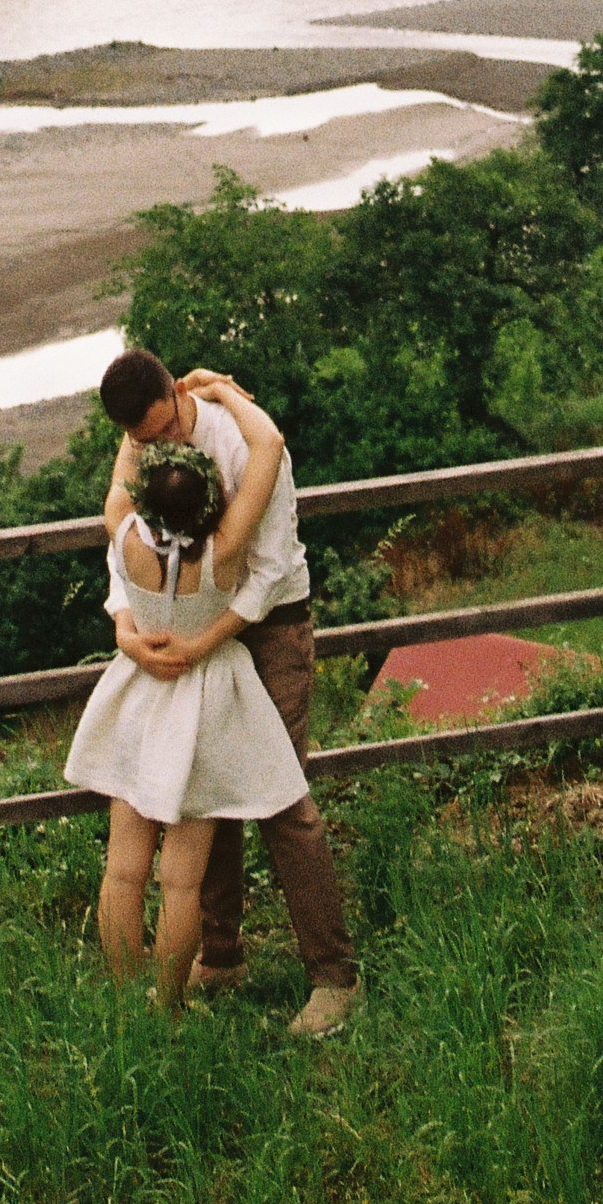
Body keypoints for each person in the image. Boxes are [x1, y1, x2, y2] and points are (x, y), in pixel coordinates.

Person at [96, 347, 362, 1038]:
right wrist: (128, 628)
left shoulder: (241, 442)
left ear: (176, 393)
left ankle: (333, 977)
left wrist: (200, 640)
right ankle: (220, 957)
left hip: (265, 625)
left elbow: (269, 570)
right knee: (199, 789)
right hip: (184, 627)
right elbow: (124, 547)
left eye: (162, 431)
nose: (157, 449)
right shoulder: (138, 445)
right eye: (140, 441)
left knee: (279, 799)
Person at [64, 438, 308, 1012]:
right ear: (214, 503)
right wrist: (219, 390)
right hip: (203, 712)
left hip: (141, 702)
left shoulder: (127, 540)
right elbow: (266, 460)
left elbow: (117, 493)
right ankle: (168, 1003)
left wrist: (132, 434)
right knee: (181, 881)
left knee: (123, 871)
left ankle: (128, 1001)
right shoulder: (224, 554)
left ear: (146, 502)